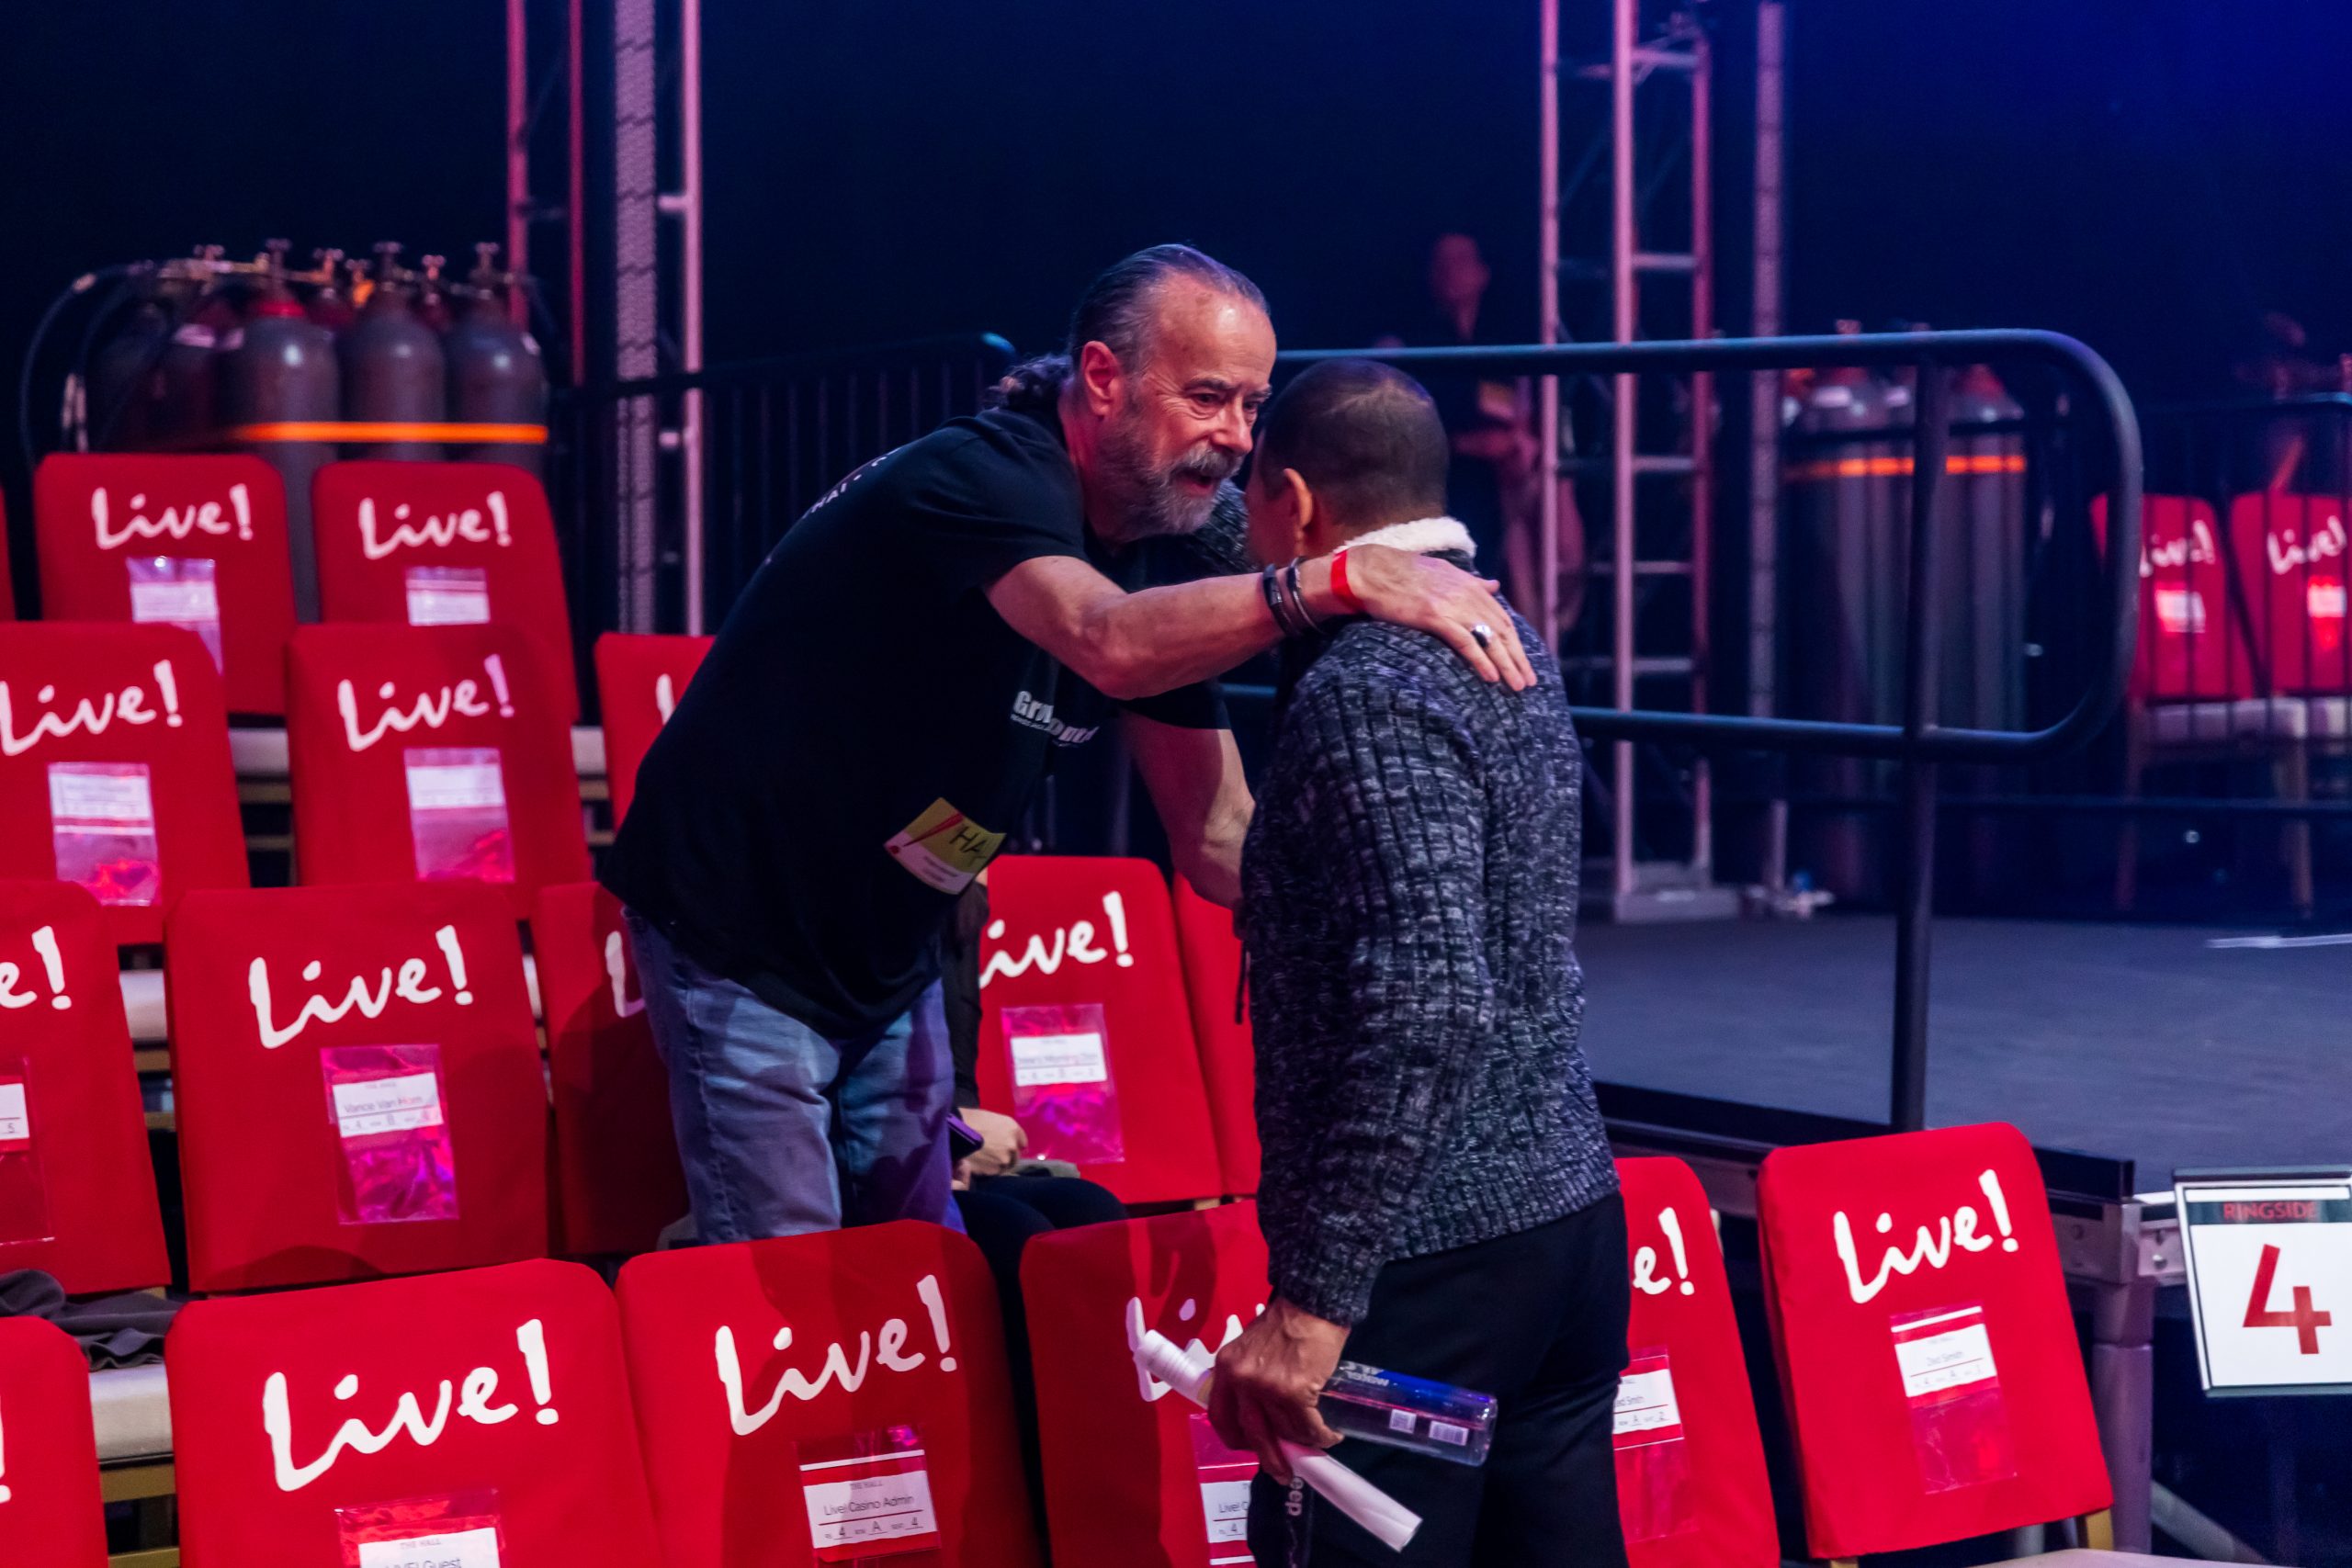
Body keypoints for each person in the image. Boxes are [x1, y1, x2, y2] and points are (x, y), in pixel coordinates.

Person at [604, 245, 1534, 1247]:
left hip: (890, 948)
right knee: (788, 1264)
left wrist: (1414, 916)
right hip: (740, 923)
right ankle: (674, 1280)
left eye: (1252, 406)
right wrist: (1342, 580)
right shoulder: (987, 474)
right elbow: (1108, 641)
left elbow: (1219, 836)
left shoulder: (1167, 540)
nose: (1236, 439)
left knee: (915, 1269)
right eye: (1207, 398)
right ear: (1101, 377)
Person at [1208, 359, 1627, 1567]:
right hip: (1566, 1226)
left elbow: (1428, 1000)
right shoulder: (1501, 633)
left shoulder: (1365, 686)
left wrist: (1316, 1299)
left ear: (1294, 502)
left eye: (1249, 484)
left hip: (1432, 1265)